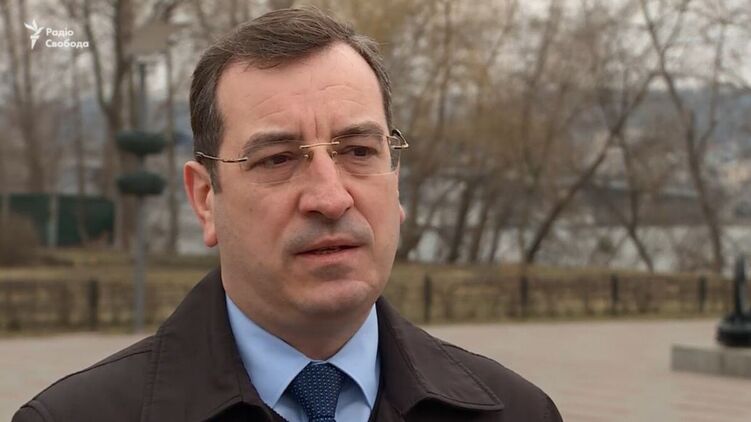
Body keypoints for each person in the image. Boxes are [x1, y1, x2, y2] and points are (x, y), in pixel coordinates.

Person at [13, 8, 562, 422]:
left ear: (395, 178)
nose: (331, 198)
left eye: (358, 151)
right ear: (205, 199)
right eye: (277, 159)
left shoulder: (517, 412)